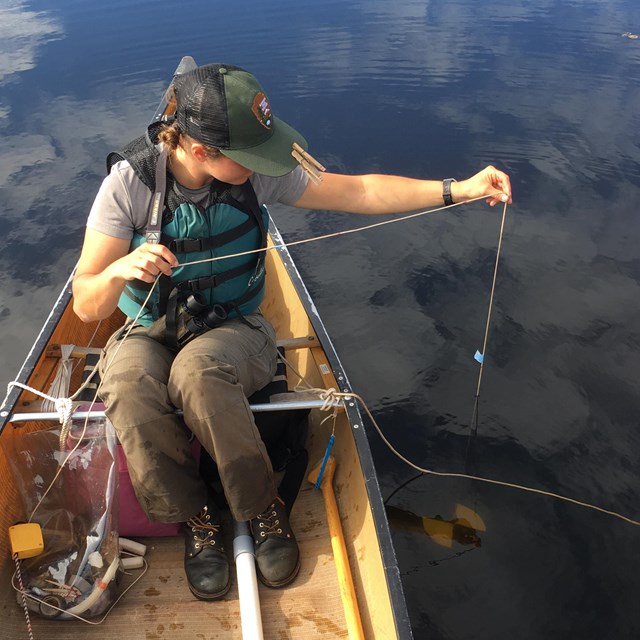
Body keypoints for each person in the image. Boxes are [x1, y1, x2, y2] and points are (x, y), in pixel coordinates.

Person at [72, 63, 511, 601]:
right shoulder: (129, 184)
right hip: (151, 329)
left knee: (199, 373)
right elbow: (87, 302)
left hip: (237, 328)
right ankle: (197, 519)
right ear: (203, 151)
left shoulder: (254, 174)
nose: (267, 162)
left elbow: (360, 192)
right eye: (252, 153)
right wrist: (118, 270)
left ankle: (262, 510)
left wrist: (458, 189)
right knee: (127, 386)